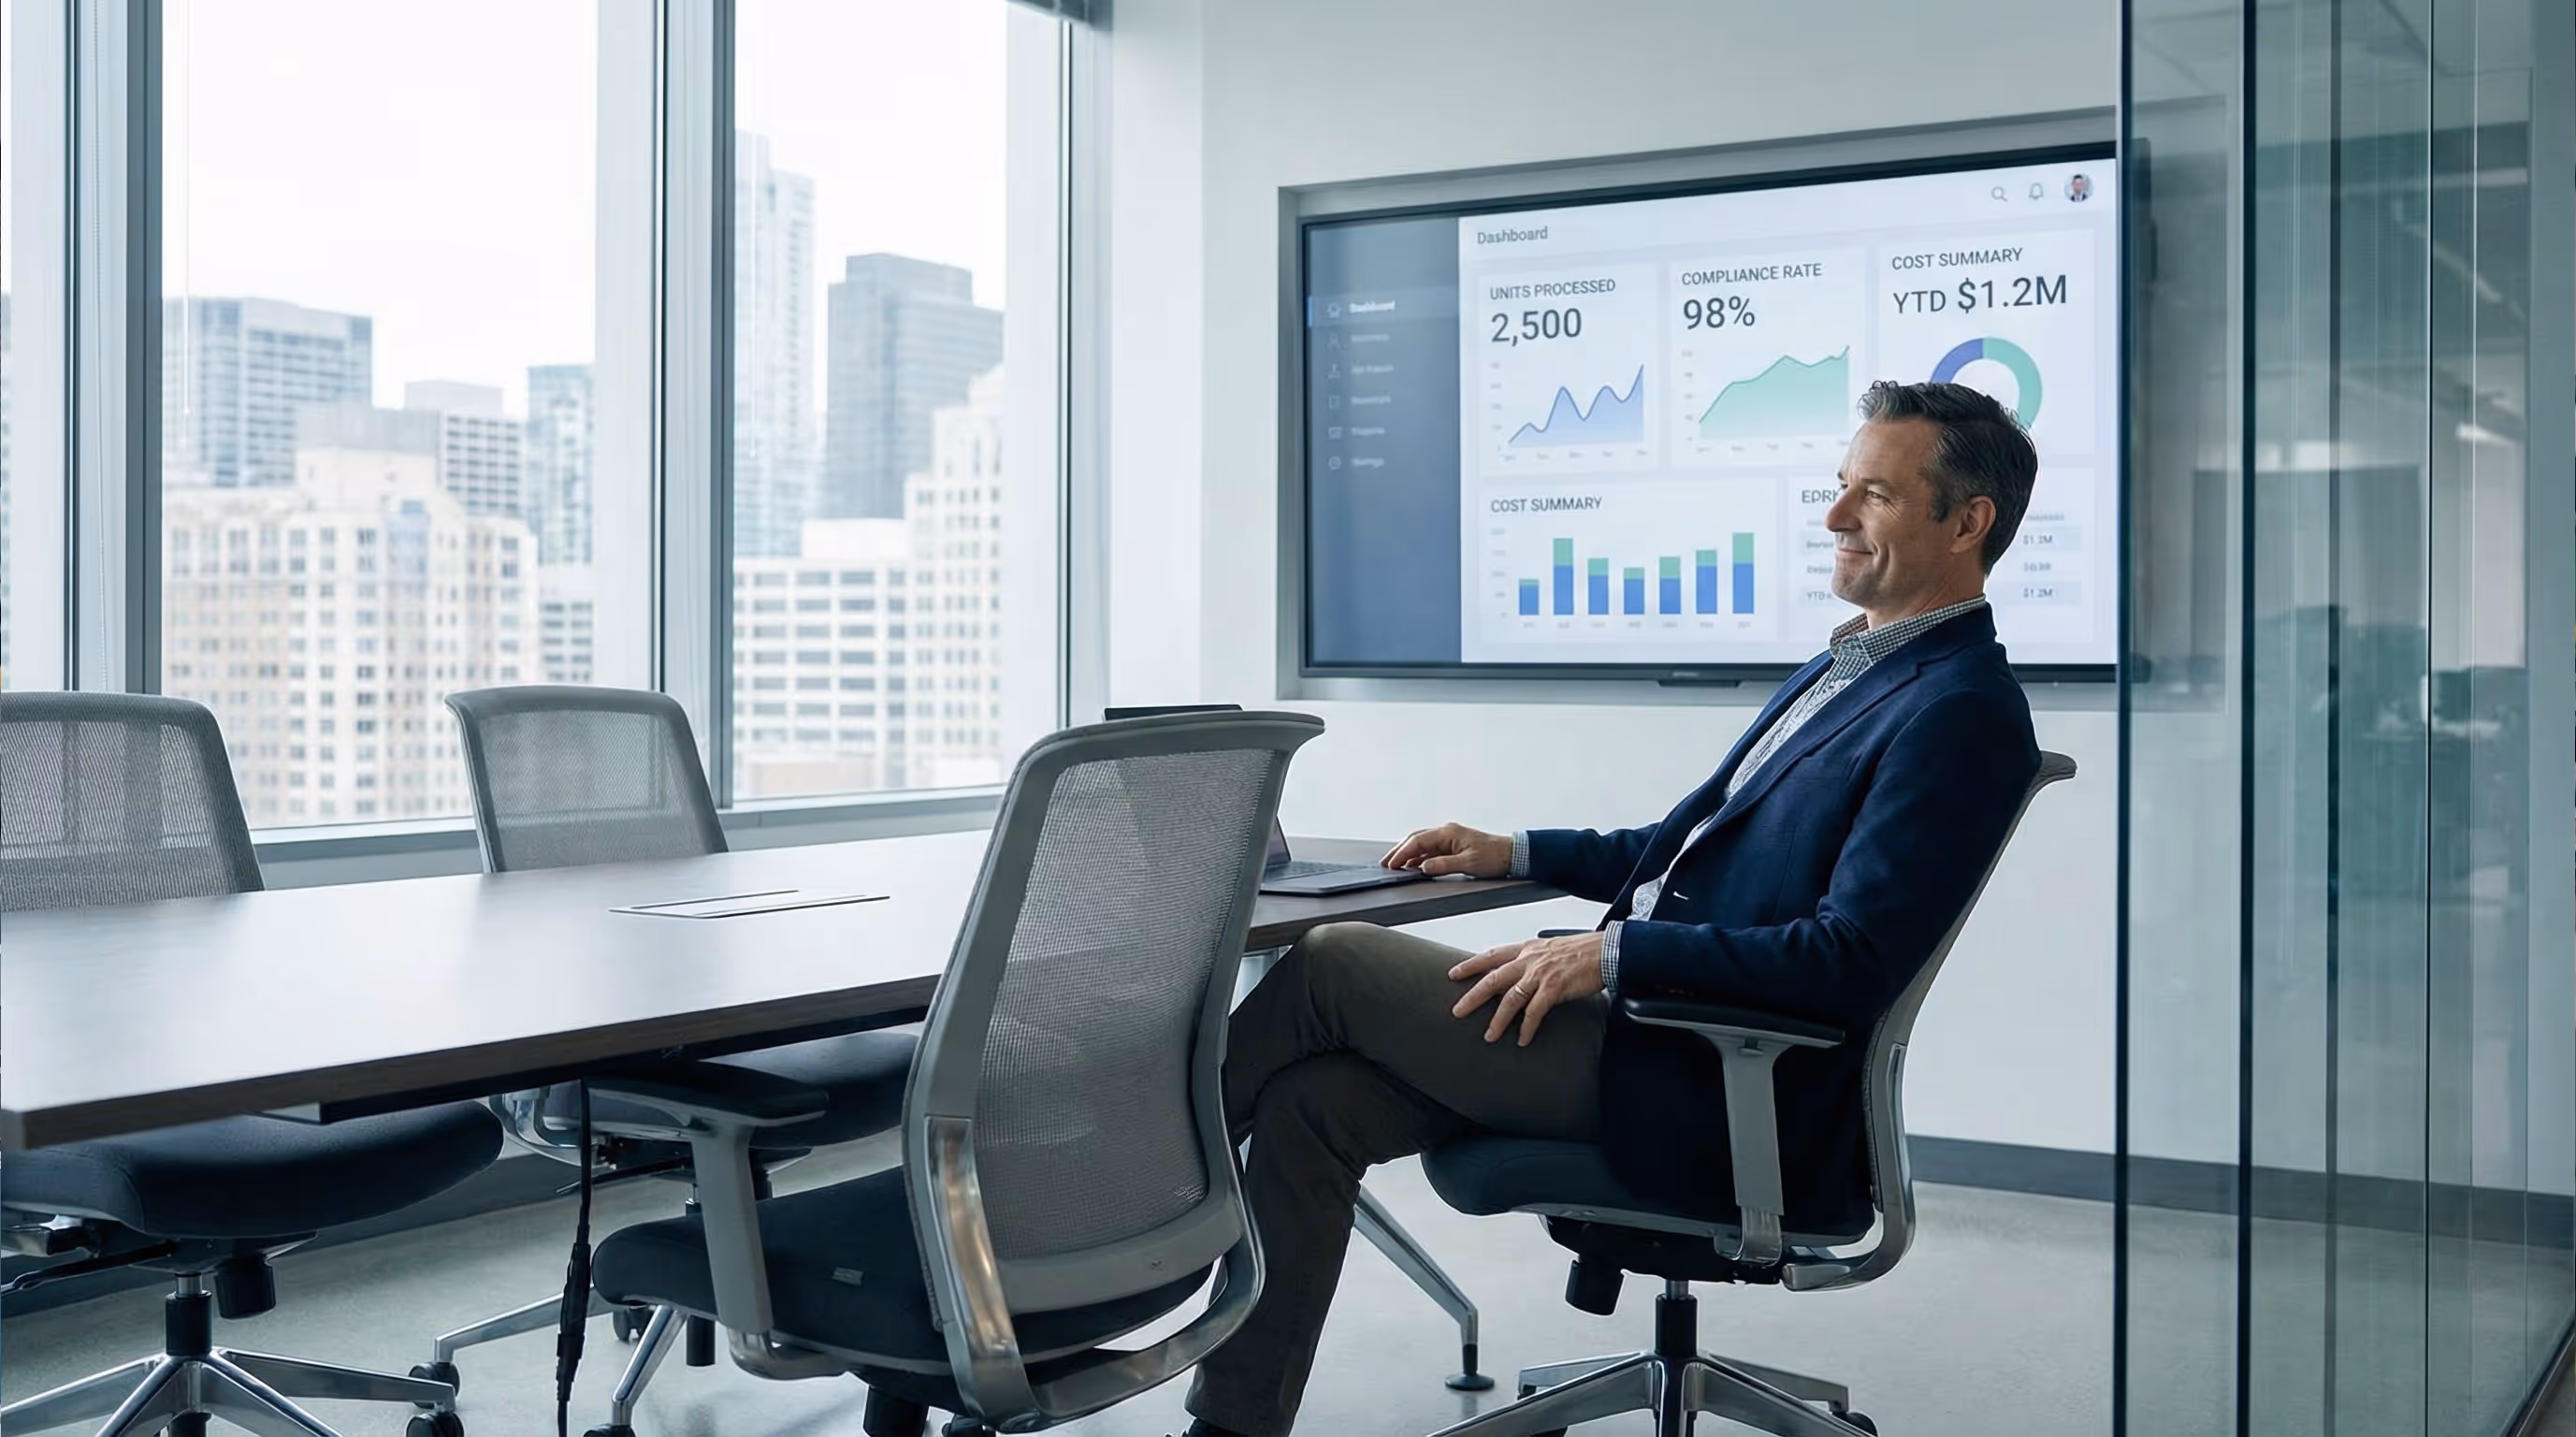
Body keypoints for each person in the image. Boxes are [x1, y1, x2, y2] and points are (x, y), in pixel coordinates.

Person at [1177, 380, 2046, 1437]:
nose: (1831, 520)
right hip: (1646, 1035)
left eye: (1873, 497)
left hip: (1712, 1082)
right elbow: (1685, 847)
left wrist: (1614, 958)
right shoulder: (1852, 666)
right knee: (1314, 1108)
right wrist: (1518, 849)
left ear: (1967, 523)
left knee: (1332, 961)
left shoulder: (1959, 711)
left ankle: (1097, 1211)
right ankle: (1230, 1427)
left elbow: (1850, 956)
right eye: (1836, 490)